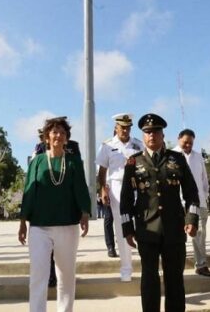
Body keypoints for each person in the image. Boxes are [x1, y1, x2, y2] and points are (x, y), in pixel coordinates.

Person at [120, 113, 199, 312]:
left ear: (163, 134)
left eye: (155, 131)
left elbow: (192, 193)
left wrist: (192, 218)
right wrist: (127, 228)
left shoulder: (177, 159)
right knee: (149, 280)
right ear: (143, 136)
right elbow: (126, 199)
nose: (151, 135)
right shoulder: (133, 162)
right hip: (147, 229)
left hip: (174, 228)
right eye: (147, 132)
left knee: (174, 280)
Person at [19, 116, 91, 312]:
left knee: (66, 276)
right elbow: (29, 190)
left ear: (66, 137)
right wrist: (23, 221)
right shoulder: (37, 161)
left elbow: (81, 189)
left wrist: (85, 213)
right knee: (38, 276)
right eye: (54, 132)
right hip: (39, 227)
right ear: (46, 137)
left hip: (67, 226)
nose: (58, 135)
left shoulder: (74, 161)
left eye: (62, 132)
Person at [97, 113, 144, 279]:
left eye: (128, 127)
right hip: (117, 187)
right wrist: (102, 189)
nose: (125, 130)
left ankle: (146, 265)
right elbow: (102, 171)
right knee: (121, 226)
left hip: (137, 186)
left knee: (142, 223)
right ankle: (126, 270)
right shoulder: (107, 145)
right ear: (116, 128)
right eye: (122, 127)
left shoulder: (138, 145)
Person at [174, 129, 210, 277]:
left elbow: (204, 179)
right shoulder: (172, 155)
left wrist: (204, 196)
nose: (188, 145)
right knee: (177, 236)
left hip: (198, 202)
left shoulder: (198, 157)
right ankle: (175, 266)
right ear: (179, 139)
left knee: (200, 234)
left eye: (191, 142)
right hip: (177, 202)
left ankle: (201, 264)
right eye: (185, 142)